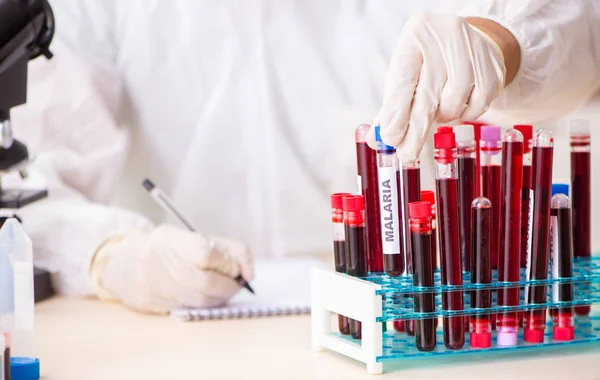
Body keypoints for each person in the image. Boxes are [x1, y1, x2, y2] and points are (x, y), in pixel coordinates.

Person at [10, 0, 600, 314]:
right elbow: (23, 171)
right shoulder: (99, 9)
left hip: (396, 324)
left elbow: (578, 25)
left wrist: (500, 41)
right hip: (185, 341)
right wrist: (110, 253)